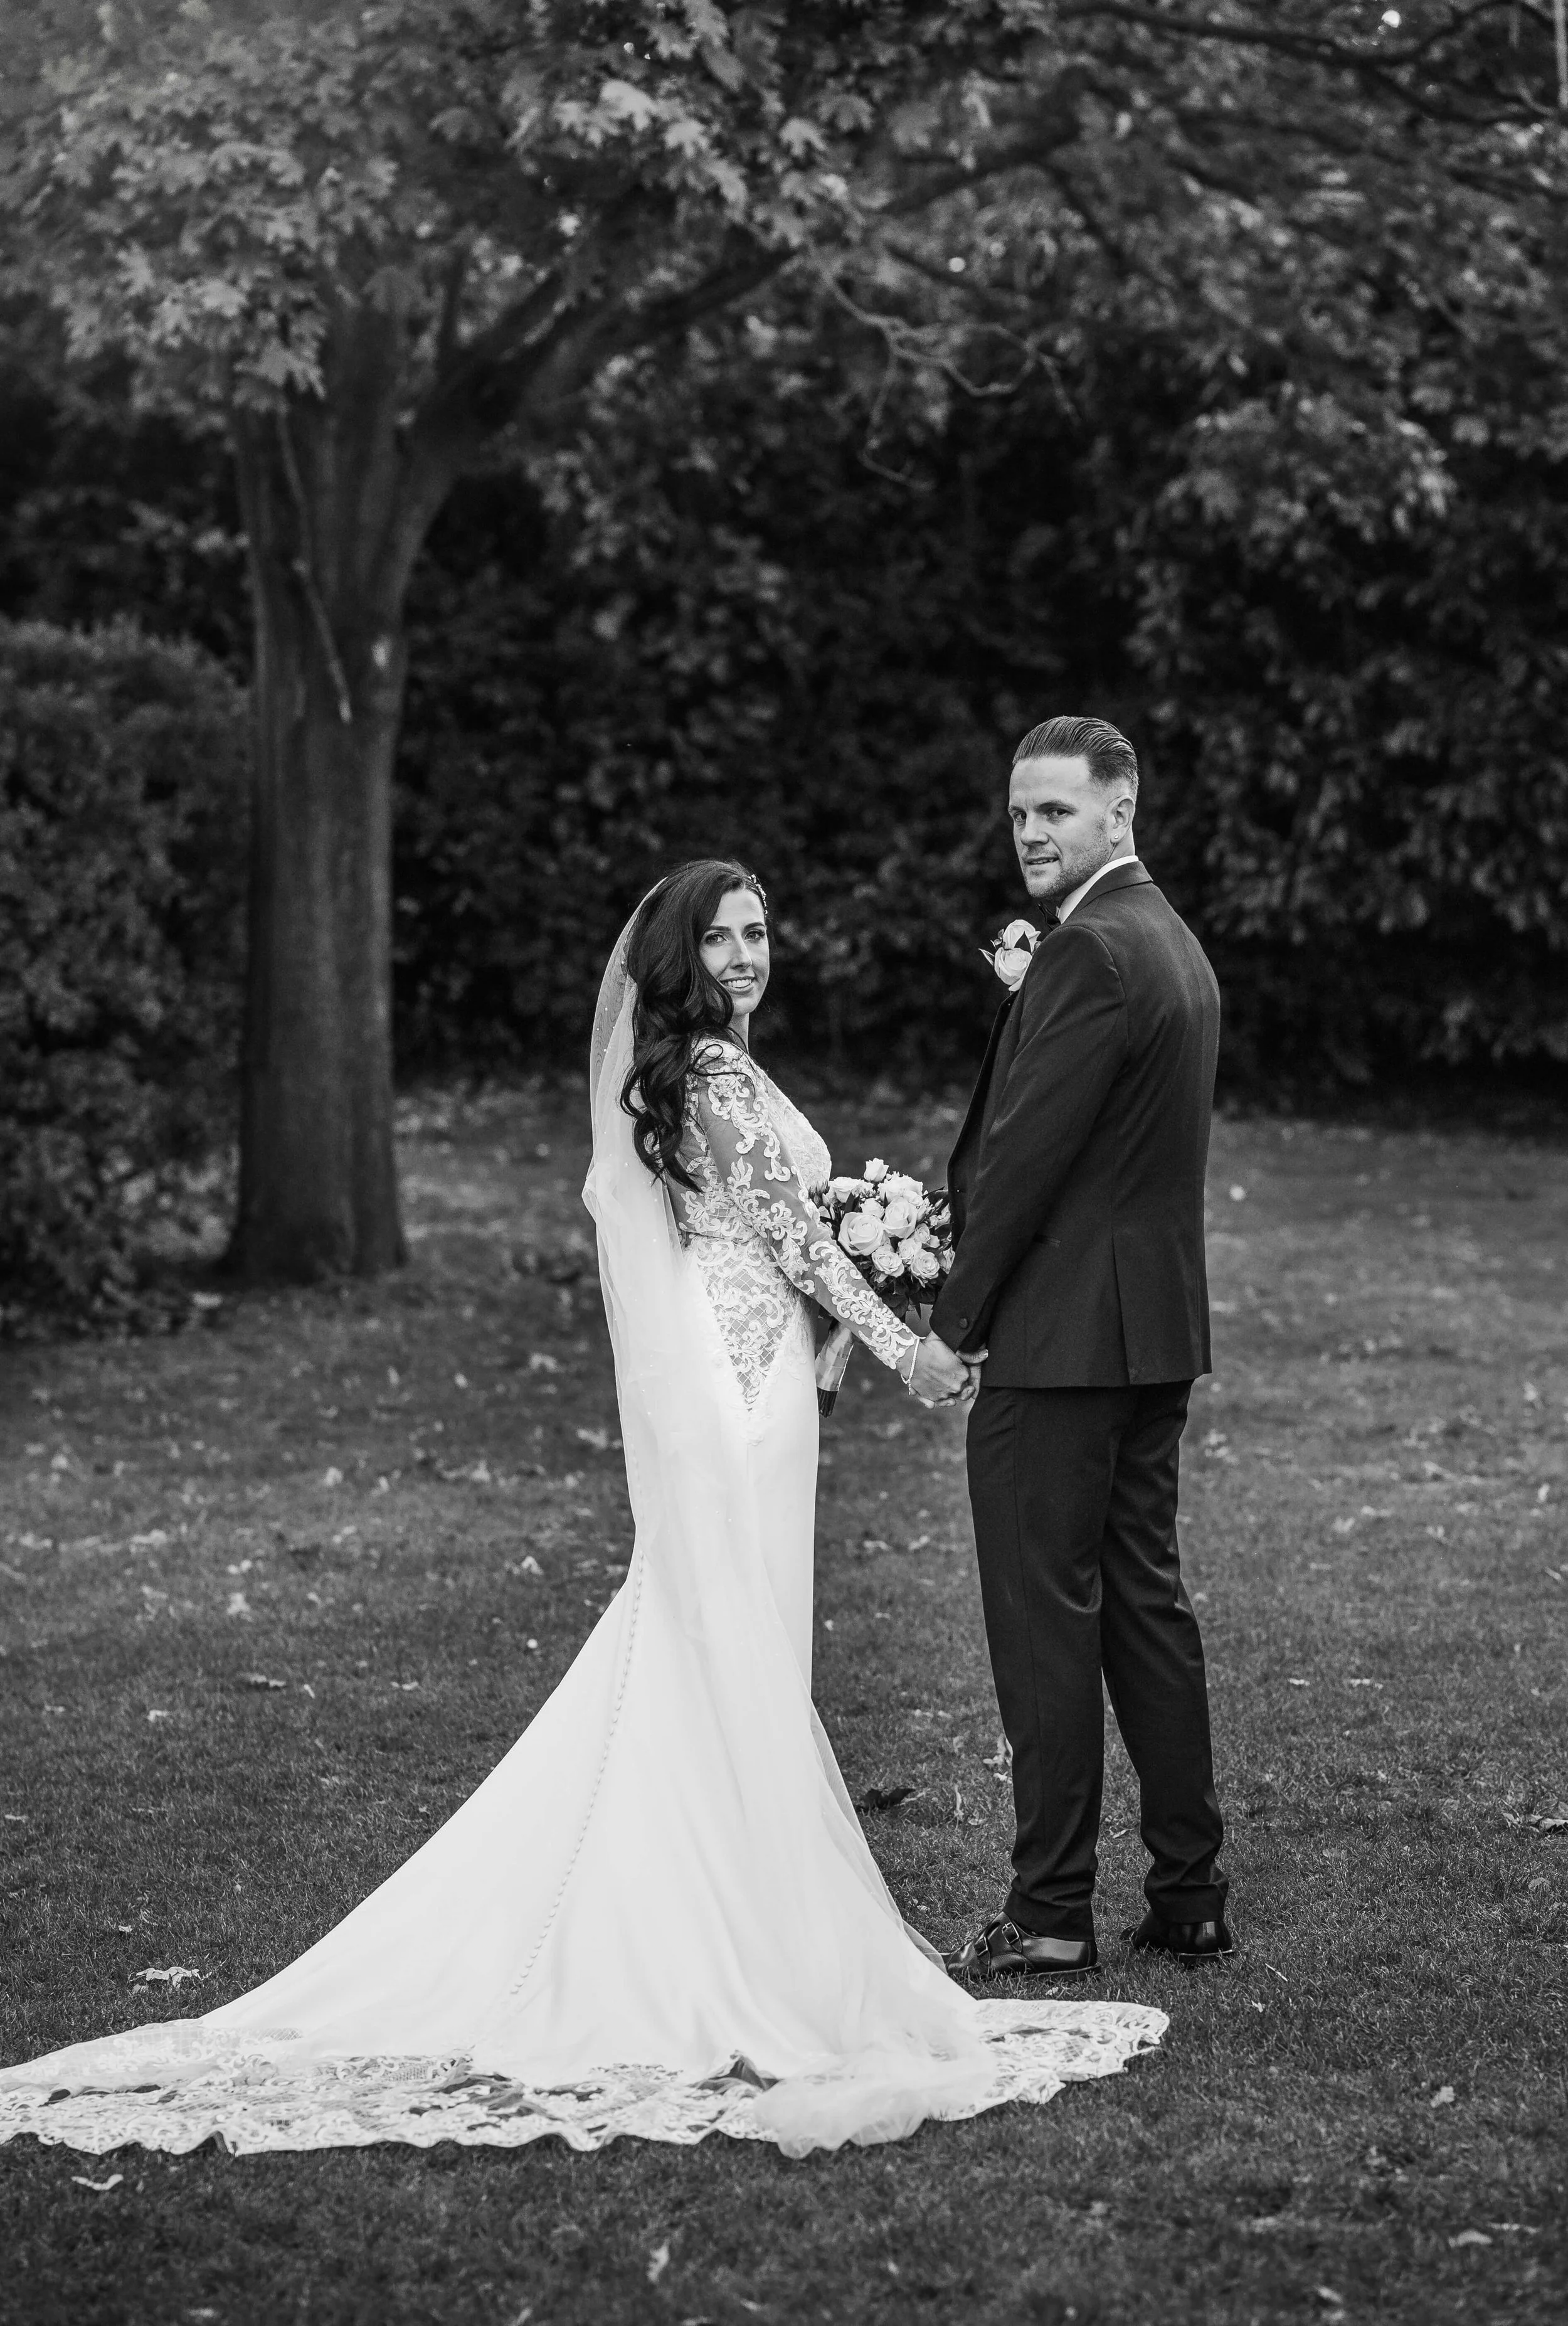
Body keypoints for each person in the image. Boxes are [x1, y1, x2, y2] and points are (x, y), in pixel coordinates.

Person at [0, 859, 1163, 2162]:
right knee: (728, 1649)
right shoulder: (712, 1080)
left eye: (758, 930)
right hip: (735, 1398)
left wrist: (838, 1344)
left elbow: (772, 1244)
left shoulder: (701, 1072)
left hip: (762, 1383)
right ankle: (721, 1936)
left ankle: (733, 1909)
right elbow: (788, 1239)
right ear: (675, 958)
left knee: (729, 1649)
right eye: (718, 938)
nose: (743, 954)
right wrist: (913, 1350)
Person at [925, 720, 1234, 1980]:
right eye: (1018, 815)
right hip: (1148, 1332)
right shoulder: (1171, 943)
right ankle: (1188, 1888)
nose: (1032, 834)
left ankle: (1049, 1912)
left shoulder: (1089, 952)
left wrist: (951, 1328)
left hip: (1061, 1347)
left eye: (1055, 811)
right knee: (1143, 1610)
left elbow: (1021, 1164)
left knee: (1045, 1624)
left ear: (1119, 809)